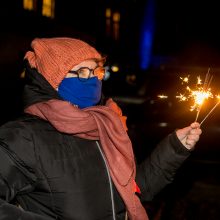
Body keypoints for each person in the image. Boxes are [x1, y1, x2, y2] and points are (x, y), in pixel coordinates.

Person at [0, 37, 202, 220]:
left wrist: (174, 148)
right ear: (52, 80)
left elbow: (134, 190)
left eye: (95, 71)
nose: (93, 80)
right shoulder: (23, 137)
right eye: (81, 72)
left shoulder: (106, 125)